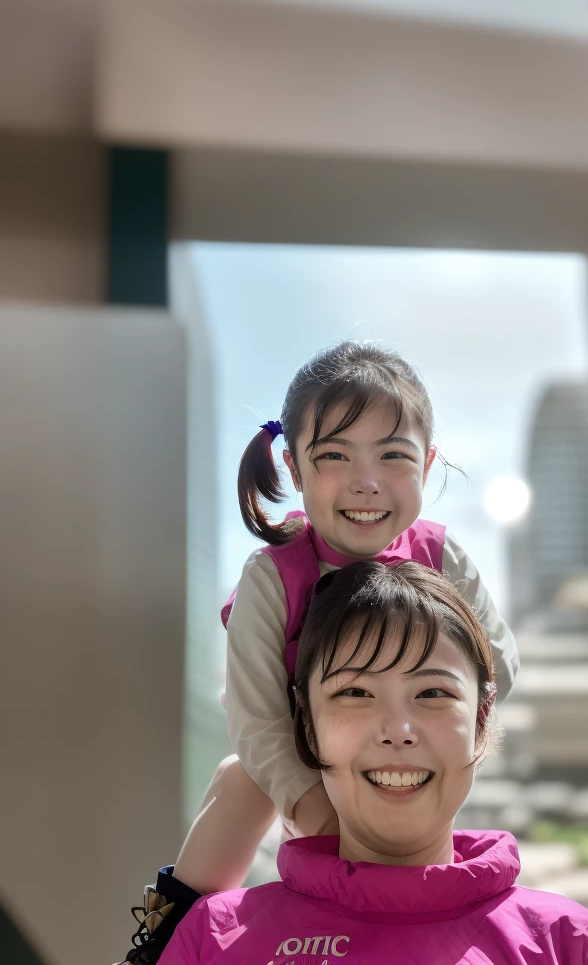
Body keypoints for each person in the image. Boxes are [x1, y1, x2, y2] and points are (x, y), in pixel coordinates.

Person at [119, 342, 519, 963]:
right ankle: (170, 935)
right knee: (239, 779)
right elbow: (254, 714)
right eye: (334, 455)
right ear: (295, 470)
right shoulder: (274, 576)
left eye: (393, 455)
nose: (366, 481)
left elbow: (497, 664)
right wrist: (311, 804)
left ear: (428, 464)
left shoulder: (442, 556)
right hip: (303, 756)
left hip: (392, 752)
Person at [157, 560, 588, 965]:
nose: (398, 729)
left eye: (433, 693)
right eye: (355, 693)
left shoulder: (561, 941)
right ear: (305, 722)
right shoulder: (213, 936)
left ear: (481, 717)